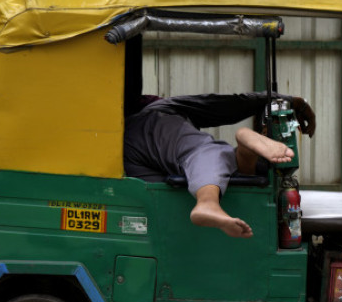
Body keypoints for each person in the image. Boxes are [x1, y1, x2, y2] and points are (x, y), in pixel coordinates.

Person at [124, 92, 315, 238]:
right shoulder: (151, 119)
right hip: (140, 135)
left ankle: (241, 157)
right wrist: (287, 100)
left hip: (141, 160)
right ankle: (215, 193)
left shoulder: (151, 117)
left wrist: (284, 100)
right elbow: (220, 103)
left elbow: (219, 104)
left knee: (217, 162)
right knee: (205, 153)